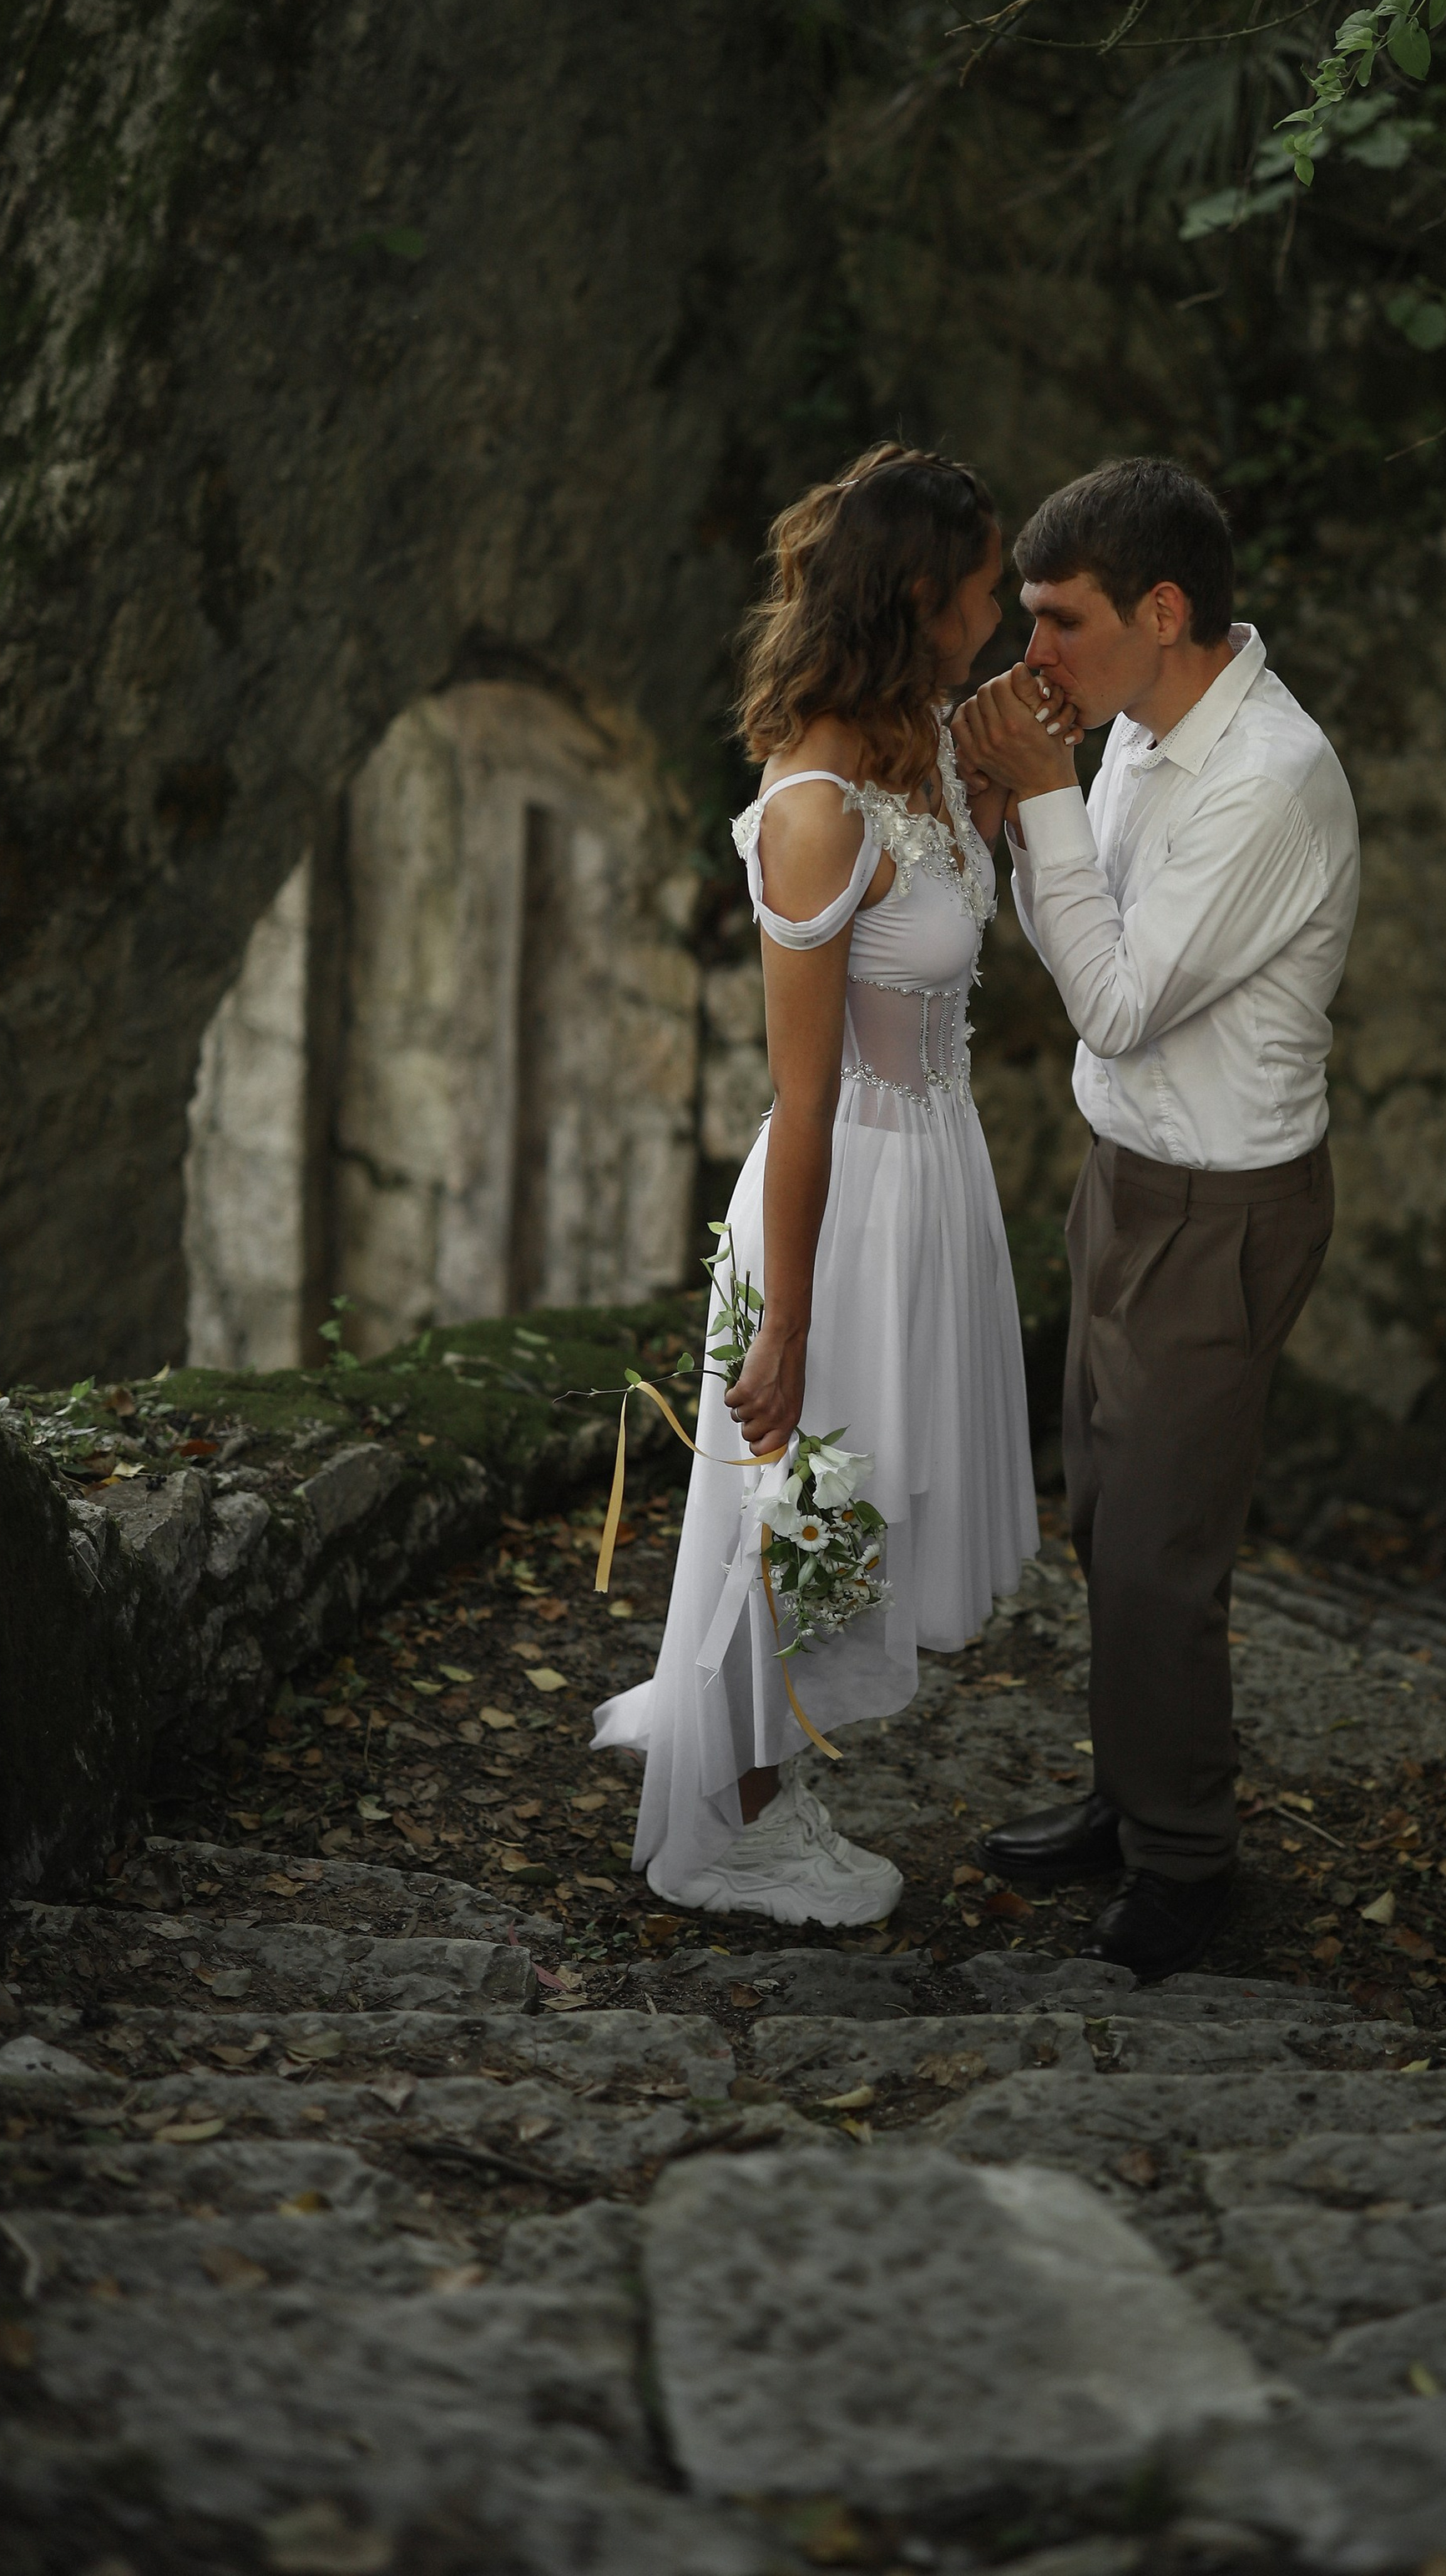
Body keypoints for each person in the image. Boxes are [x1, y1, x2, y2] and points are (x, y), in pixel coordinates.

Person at [593, 444, 1038, 1922]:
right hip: (839, 1205)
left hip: (931, 1183)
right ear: (921, 594)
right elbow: (800, 1090)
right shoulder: (816, 806)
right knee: (801, 1505)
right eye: (985, 591)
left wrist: (1003, 784)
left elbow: (949, 940)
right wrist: (781, 1319)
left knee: (848, 1521)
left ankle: (773, 1770)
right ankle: (732, 1825)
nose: (1002, 617)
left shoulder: (912, 751)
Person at [953, 458, 1359, 1981]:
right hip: (1124, 1174)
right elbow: (1085, 922)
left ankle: (1188, 1866)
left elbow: (1113, 999)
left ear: (1165, 610)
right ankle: (1132, 1802)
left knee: (1162, 1557)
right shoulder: (1134, 730)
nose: (1031, 655)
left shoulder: (1269, 777)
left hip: (1225, 1203)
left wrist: (1039, 796)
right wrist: (1027, 809)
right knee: (1107, 1521)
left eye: (1059, 622)